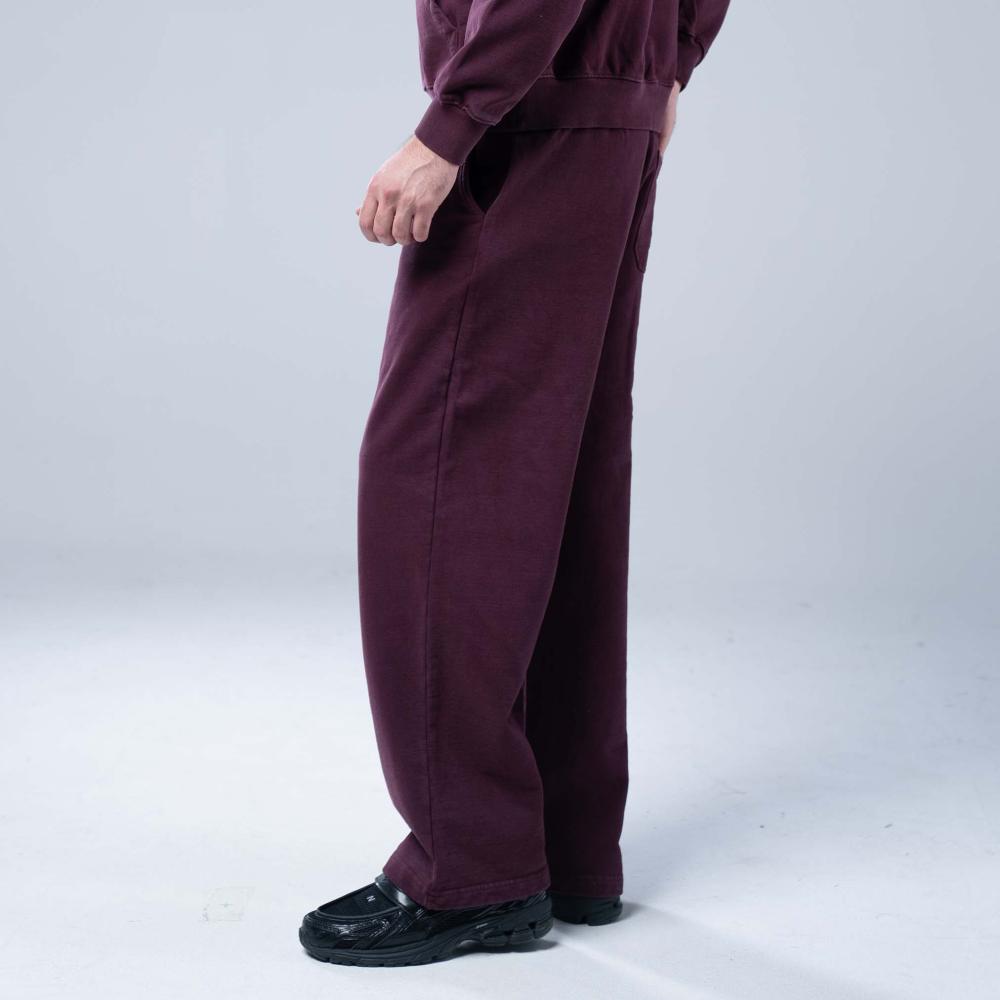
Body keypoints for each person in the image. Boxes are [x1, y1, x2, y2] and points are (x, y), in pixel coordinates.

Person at [300, 0, 732, 967]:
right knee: (555, 474)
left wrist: (450, 125)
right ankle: (565, 847)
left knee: (443, 476)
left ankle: (473, 866)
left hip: (524, 117)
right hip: (607, 113)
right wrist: (666, 62)